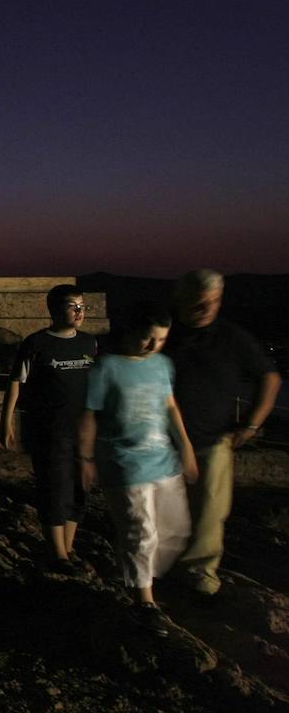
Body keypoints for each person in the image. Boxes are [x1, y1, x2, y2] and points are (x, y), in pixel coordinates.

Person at [79, 303, 199, 637]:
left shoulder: (162, 364)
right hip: (124, 462)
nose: (153, 346)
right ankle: (144, 601)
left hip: (163, 460)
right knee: (140, 531)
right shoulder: (106, 368)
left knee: (175, 529)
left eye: (160, 340)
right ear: (132, 333)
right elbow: (90, 414)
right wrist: (86, 458)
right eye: (148, 338)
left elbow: (169, 405)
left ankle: (139, 574)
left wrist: (185, 446)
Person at [166, 269, 281, 598]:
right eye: (198, 303)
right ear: (181, 301)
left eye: (213, 303)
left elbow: (269, 377)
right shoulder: (162, 333)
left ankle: (199, 574)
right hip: (161, 441)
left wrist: (252, 424)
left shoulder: (233, 338)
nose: (206, 310)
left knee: (209, 511)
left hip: (212, 439)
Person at [0, 284, 97, 574]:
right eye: (72, 305)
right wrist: (6, 421)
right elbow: (16, 381)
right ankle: (57, 555)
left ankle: (68, 548)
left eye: (82, 305)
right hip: (48, 430)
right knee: (55, 489)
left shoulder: (90, 343)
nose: (79, 311)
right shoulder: (36, 343)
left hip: (81, 431)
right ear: (53, 310)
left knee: (79, 491)